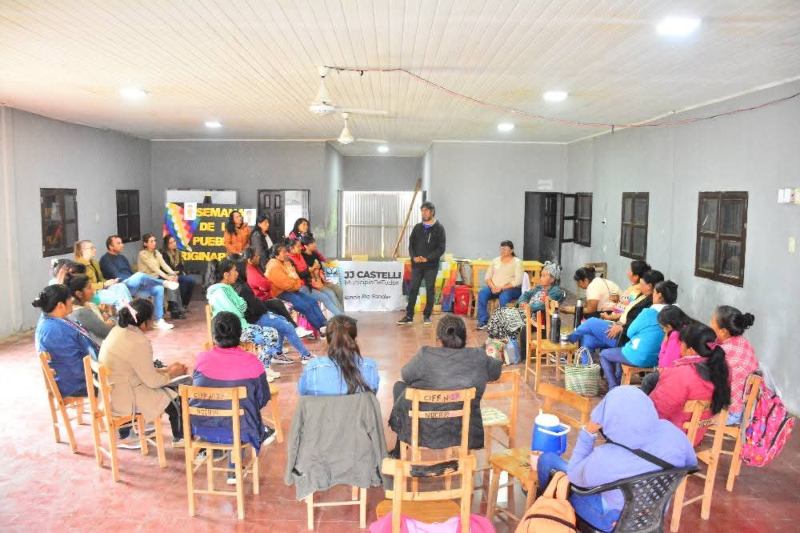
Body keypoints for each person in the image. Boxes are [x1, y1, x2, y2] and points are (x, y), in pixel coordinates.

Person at [536, 386, 697, 532]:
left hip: (612, 519)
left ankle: (547, 512)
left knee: (548, 460)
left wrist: (588, 432)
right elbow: (690, 464)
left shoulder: (605, 457)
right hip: (654, 512)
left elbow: (574, 476)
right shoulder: (673, 433)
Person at [388, 314, 502, 454]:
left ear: (439, 338)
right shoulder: (479, 356)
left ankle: (401, 447)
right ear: (464, 336)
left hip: (424, 427)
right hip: (462, 428)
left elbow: (406, 376)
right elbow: (495, 373)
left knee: (399, 387)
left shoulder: (425, 355)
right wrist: (494, 351)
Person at [192, 311, 275, 485]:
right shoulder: (252, 362)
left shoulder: (201, 359)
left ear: (214, 335)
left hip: (202, 428)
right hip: (240, 431)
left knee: (232, 412)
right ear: (239, 334)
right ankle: (233, 469)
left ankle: (227, 460)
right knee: (242, 413)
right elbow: (262, 398)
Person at [99, 299, 188, 448]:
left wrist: (166, 370)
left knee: (168, 385)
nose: (152, 321)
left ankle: (124, 432)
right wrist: (172, 374)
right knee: (176, 396)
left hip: (112, 391)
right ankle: (180, 437)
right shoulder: (138, 342)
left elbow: (134, 368)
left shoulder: (118, 330)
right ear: (143, 323)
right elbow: (153, 382)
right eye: (151, 318)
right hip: (126, 398)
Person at [649, 323, 731, 445]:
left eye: (681, 343)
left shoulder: (681, 374)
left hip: (672, 438)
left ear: (690, 350)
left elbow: (656, 412)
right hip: (695, 435)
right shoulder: (723, 369)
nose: (680, 346)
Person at [206, 258, 284, 381]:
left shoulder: (227, 288)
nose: (237, 273)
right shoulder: (221, 292)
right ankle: (261, 370)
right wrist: (241, 305)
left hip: (240, 326)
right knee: (271, 335)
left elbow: (242, 305)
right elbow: (237, 310)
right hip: (234, 331)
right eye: (234, 271)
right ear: (226, 275)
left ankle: (264, 368)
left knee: (272, 332)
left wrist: (240, 305)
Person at [229, 255, 315, 365]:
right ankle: (305, 355)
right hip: (255, 319)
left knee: (282, 319)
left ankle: (277, 353)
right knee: (287, 326)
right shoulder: (241, 288)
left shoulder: (240, 284)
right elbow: (251, 308)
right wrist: (265, 310)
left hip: (258, 314)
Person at [598, 280, 677, 390]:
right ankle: (618, 382)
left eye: (654, 292)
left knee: (604, 354)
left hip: (639, 356)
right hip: (658, 358)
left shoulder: (648, 312)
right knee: (620, 351)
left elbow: (630, 332)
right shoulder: (676, 314)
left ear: (659, 295)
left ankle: (613, 387)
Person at [567, 269, 664, 354]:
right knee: (588, 339)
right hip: (618, 324)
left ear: (649, 286)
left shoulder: (650, 304)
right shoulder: (642, 296)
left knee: (591, 322)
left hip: (624, 335)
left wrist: (621, 327)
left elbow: (637, 323)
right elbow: (626, 311)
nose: (639, 287)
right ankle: (587, 370)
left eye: (642, 284)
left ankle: (568, 340)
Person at [34, 284, 100, 398]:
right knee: (125, 381)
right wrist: (98, 372)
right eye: (69, 299)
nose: (72, 301)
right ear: (60, 305)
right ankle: (122, 412)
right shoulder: (54, 330)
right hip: (76, 384)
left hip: (74, 377)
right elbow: (75, 369)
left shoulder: (51, 319)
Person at [99, 235, 175, 330]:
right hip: (119, 286)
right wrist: (135, 279)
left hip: (131, 286)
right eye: (118, 243)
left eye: (121, 242)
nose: (122, 245)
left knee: (158, 289)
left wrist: (137, 282)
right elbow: (117, 276)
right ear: (111, 246)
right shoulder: (105, 260)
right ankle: (163, 282)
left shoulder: (122, 257)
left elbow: (130, 273)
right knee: (139, 275)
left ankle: (158, 321)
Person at [486, 261, 566, 349]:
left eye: (544, 276)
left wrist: (529, 307)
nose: (541, 278)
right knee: (499, 314)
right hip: (527, 314)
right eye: (541, 275)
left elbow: (545, 305)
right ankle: (493, 344)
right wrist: (522, 302)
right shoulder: (539, 287)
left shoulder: (556, 292)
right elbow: (526, 294)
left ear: (552, 279)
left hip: (538, 319)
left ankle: (500, 347)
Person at [298, 315, 379, 396]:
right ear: (355, 340)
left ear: (327, 341)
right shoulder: (370, 367)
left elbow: (303, 393)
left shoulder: (312, 368)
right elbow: (371, 396)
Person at [397, 201, 446, 326]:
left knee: (430, 290)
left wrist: (428, 258)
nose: (424, 213)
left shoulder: (439, 228)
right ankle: (409, 316)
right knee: (413, 289)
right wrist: (414, 257)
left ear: (432, 212)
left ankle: (427, 316)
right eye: (422, 210)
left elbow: (441, 248)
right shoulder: (417, 227)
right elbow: (411, 245)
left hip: (431, 266)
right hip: (417, 265)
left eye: (426, 210)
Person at [709, 306, 758, 426]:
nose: (709, 323)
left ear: (723, 331)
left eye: (712, 321)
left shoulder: (722, 352)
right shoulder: (743, 342)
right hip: (746, 408)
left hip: (729, 413)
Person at [266, 243, 329, 334]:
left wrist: (295, 282)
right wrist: (296, 283)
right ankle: (321, 330)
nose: (287, 254)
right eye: (284, 252)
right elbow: (286, 284)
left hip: (292, 290)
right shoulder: (273, 267)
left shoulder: (286, 262)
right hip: (281, 293)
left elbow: (296, 277)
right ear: (277, 255)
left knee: (313, 301)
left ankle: (325, 325)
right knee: (306, 307)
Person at [639, 305, 697, 395]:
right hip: (693, 372)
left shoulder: (676, 334)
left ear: (669, 326)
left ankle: (644, 405)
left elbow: (664, 366)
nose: (664, 331)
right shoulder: (691, 325)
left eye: (663, 328)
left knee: (648, 380)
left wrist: (664, 343)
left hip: (679, 375)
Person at [287, 238, 343, 316]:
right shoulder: (289, 260)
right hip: (302, 286)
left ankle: (341, 316)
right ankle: (341, 318)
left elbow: (308, 269)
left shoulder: (301, 255)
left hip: (312, 282)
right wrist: (312, 270)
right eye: (298, 246)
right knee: (327, 295)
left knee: (332, 293)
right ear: (291, 248)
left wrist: (316, 272)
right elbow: (298, 275)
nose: (301, 248)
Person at [475, 240, 524, 329]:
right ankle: (483, 321)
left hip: (511, 289)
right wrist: (493, 286)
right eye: (501, 249)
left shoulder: (517, 262)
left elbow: (518, 281)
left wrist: (502, 288)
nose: (503, 251)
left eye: (505, 249)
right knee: (482, 293)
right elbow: (487, 277)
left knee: (503, 297)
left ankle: (503, 323)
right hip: (494, 287)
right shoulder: (495, 261)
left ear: (512, 250)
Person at [138, 234, 185, 320]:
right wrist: (167, 278)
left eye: (155, 241)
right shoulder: (142, 254)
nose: (154, 243)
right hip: (147, 280)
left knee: (173, 280)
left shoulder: (157, 253)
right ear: (145, 244)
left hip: (157, 278)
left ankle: (176, 308)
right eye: (151, 241)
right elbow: (154, 268)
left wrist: (173, 274)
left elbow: (164, 265)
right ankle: (173, 308)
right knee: (171, 282)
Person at [73, 240, 133, 305]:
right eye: (92, 248)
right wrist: (104, 284)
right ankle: (127, 313)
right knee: (119, 299)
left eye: (94, 247)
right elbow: (85, 287)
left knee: (121, 286)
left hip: (102, 288)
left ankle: (132, 309)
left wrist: (110, 282)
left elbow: (101, 279)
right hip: (93, 293)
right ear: (83, 250)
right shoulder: (79, 266)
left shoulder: (94, 262)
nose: (95, 249)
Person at [67, 274, 114, 345]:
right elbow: (107, 332)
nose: (93, 290)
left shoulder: (89, 304)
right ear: (79, 293)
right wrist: (109, 322)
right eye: (89, 288)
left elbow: (106, 315)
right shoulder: (80, 312)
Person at [300, 234, 344, 310]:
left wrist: (323, 278)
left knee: (339, 289)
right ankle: (341, 316)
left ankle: (340, 314)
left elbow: (321, 268)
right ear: (305, 246)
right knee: (331, 294)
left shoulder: (315, 254)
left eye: (314, 242)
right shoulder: (302, 257)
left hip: (322, 281)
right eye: (311, 243)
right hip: (313, 284)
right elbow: (306, 272)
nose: (314, 244)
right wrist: (313, 269)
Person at [161, 235, 196, 310]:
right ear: (167, 245)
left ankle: (184, 304)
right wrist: (175, 272)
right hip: (168, 276)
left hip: (178, 275)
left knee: (191, 282)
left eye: (174, 241)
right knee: (188, 280)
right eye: (170, 243)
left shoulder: (178, 252)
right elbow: (166, 269)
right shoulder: (164, 254)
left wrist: (176, 271)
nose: (173, 244)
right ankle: (179, 306)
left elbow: (181, 267)